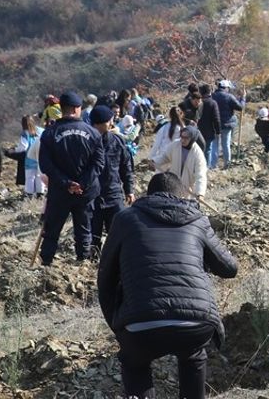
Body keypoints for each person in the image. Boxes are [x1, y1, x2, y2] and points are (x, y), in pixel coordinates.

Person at [98, 172, 238, 399]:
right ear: (182, 195)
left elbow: (105, 279)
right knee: (193, 356)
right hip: (195, 322)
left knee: (135, 361)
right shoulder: (197, 219)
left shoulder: (125, 219)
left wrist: (117, 326)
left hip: (140, 323)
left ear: (148, 195)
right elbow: (229, 268)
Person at [37, 91, 103, 267]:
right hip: (85, 192)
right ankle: (83, 262)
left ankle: (46, 263)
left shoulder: (49, 134)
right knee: (83, 229)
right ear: (76, 109)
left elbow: (46, 165)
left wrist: (66, 183)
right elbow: (98, 163)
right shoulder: (93, 133)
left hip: (59, 192)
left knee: (52, 230)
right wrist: (82, 183)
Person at [90, 104, 135, 256]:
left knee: (119, 233)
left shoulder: (117, 141)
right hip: (93, 198)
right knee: (92, 237)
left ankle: (117, 264)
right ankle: (91, 263)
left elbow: (126, 167)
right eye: (108, 121)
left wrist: (129, 190)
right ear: (98, 123)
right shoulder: (86, 142)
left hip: (114, 194)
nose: (111, 123)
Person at [155, 126, 208, 199]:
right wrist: (154, 161)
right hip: (173, 184)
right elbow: (165, 157)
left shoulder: (198, 154)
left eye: (186, 138)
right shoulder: (175, 145)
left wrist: (200, 193)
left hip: (187, 189)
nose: (183, 140)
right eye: (182, 137)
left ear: (192, 139)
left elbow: (200, 175)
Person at [210, 80, 245, 170]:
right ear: (226, 88)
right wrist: (243, 98)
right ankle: (227, 164)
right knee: (226, 144)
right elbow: (240, 107)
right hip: (227, 124)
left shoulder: (212, 96)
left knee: (214, 145)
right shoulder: (229, 97)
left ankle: (213, 165)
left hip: (214, 124)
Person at [192, 92, 223, 169]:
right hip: (209, 130)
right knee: (208, 150)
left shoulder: (194, 102)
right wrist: (218, 131)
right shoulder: (212, 103)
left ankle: (197, 166)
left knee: (197, 149)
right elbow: (216, 118)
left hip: (197, 130)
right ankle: (206, 167)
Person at [16, 115, 46, 197]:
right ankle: (40, 193)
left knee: (30, 177)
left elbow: (23, 147)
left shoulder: (25, 133)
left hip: (30, 158)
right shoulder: (41, 130)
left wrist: (14, 150)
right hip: (41, 157)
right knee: (39, 176)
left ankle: (29, 194)